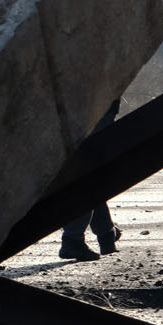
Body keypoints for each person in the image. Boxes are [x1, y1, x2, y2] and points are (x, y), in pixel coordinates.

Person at [59, 99, 123, 261]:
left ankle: (105, 234)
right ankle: (73, 239)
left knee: (89, 168)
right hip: (93, 103)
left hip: (89, 103)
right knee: (88, 169)